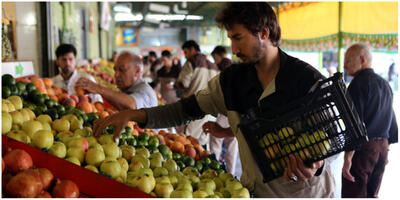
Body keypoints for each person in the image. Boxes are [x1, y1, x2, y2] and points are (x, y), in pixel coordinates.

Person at [92, 3, 335, 197]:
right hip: (255, 192)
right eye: (230, 38)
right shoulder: (231, 82)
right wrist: (134, 115)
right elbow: (184, 110)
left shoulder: (305, 80)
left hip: (305, 193)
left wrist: (318, 163)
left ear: (264, 33)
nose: (233, 48)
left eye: (238, 37)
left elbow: (333, 136)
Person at [341, 43, 398, 198]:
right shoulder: (385, 84)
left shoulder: (357, 84)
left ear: (363, 58)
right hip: (382, 149)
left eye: (348, 60)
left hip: (364, 150)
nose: (345, 65)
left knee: (354, 194)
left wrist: (347, 159)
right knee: (372, 194)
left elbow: (355, 124)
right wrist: (385, 152)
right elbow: (391, 119)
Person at [75, 51, 158, 110]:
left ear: (137, 71)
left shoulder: (145, 91)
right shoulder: (127, 89)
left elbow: (131, 105)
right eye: (115, 70)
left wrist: (98, 88)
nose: (116, 75)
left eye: (122, 70)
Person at [174, 40, 219, 146]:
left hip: (194, 107)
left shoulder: (192, 61)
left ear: (192, 50)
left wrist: (177, 85)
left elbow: (184, 83)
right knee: (202, 144)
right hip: (211, 111)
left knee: (187, 142)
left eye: (186, 52)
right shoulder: (213, 65)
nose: (185, 56)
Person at [203, 45, 239, 175]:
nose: (214, 61)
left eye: (215, 58)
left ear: (219, 55)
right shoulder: (233, 65)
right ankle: (231, 173)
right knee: (232, 145)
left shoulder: (224, 65)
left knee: (215, 139)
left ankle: (214, 169)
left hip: (227, 111)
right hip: (236, 111)